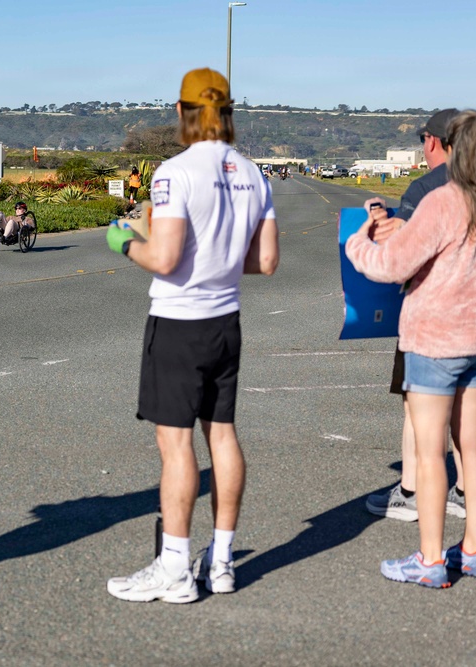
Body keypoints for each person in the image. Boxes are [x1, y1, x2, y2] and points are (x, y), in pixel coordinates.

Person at [104, 67, 279, 603]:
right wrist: (220, 263)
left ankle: (176, 568)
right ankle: (220, 562)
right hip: (226, 321)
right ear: (227, 112)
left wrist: (121, 240)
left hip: (180, 323)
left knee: (175, 445)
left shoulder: (173, 172)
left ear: (182, 112)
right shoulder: (254, 174)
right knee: (221, 434)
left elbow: (164, 256)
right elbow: (266, 261)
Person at [346, 110, 476, 588]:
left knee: (429, 454)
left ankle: (429, 560)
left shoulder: (444, 201)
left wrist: (358, 242)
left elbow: (392, 265)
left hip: (435, 340)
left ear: (454, 146)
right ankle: (473, 551)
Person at [362, 109, 469, 522]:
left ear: (432, 142)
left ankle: (411, 490)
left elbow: (400, 257)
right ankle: (463, 490)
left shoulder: (425, 188)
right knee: (465, 413)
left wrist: (373, 228)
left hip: (429, 317)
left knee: (416, 407)